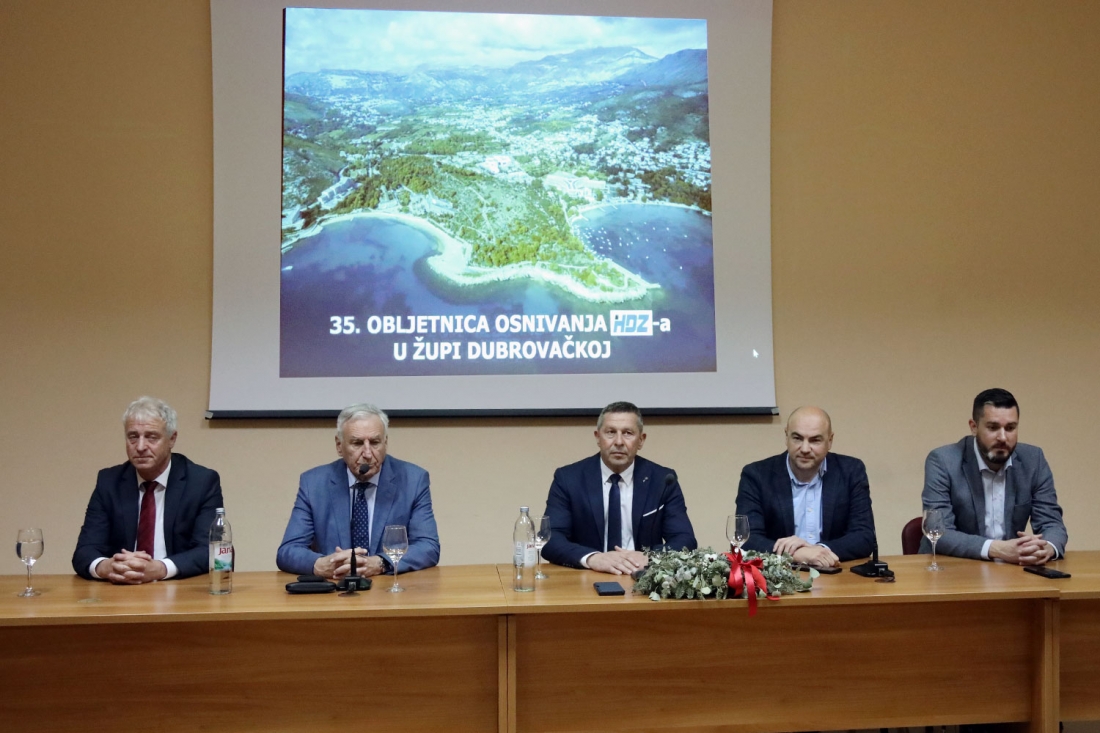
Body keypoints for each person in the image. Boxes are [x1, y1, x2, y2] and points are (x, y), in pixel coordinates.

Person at [277, 403, 440, 578]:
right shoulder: (314, 483)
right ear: (339, 446)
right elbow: (288, 551)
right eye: (357, 443)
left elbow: (428, 546)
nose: (368, 453)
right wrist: (322, 564)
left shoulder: (413, 480)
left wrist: (381, 562)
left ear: (386, 443)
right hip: (335, 590)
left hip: (389, 590)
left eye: (375, 443)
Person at [72, 397, 224, 583]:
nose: (141, 447)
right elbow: (85, 551)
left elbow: (211, 550)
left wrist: (161, 568)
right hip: (120, 590)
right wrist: (107, 567)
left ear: (172, 439)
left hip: (178, 590)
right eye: (133, 437)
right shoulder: (109, 482)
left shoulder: (201, 482)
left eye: (152, 437)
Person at [541, 401, 697, 575]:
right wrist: (593, 558)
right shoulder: (569, 479)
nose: (619, 442)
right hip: (587, 576)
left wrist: (650, 557)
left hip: (643, 577)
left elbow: (685, 539)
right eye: (610, 432)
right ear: (597, 437)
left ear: (641, 440)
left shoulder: (662, 480)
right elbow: (550, 539)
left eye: (628, 433)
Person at [921, 388, 1067, 564]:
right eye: (993, 427)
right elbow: (939, 532)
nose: (1003, 437)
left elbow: (1052, 523)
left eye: (1011, 428)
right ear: (974, 427)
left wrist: (1046, 548)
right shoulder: (943, 461)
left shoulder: (1033, 460)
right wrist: (998, 549)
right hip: (951, 568)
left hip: (1011, 570)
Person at [734, 406, 875, 568]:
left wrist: (820, 551)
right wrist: (795, 554)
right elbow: (746, 539)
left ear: (830, 441)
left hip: (836, 576)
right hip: (779, 579)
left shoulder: (851, 471)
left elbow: (863, 536)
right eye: (797, 438)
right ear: (786, 436)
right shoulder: (756, 475)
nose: (805, 449)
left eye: (815, 440)